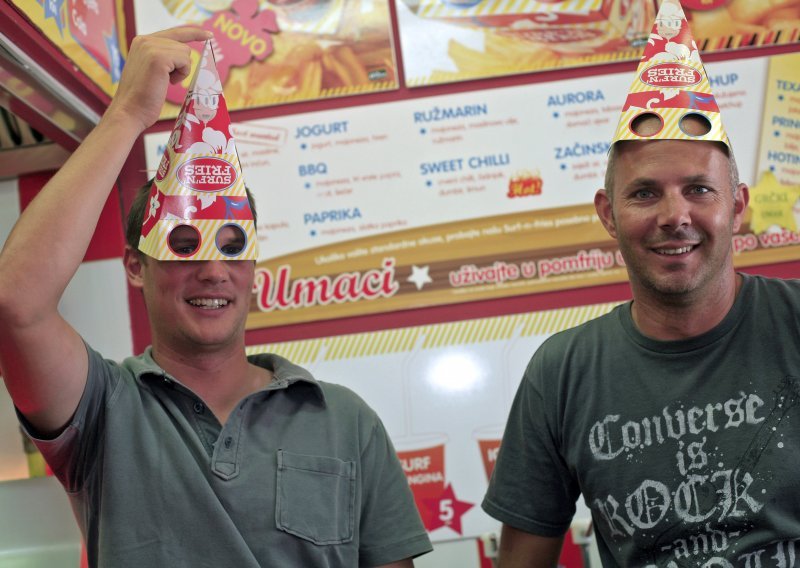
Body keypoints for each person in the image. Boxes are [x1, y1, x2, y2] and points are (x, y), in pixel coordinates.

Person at [0, 27, 431, 567]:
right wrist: (127, 114)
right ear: (137, 265)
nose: (212, 270)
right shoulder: (101, 408)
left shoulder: (345, 419)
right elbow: (16, 302)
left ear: (252, 265)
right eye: (183, 245)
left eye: (232, 246)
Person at [481, 105, 800, 566]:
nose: (675, 215)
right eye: (645, 193)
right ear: (608, 215)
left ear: (736, 206)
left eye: (699, 189)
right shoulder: (561, 374)